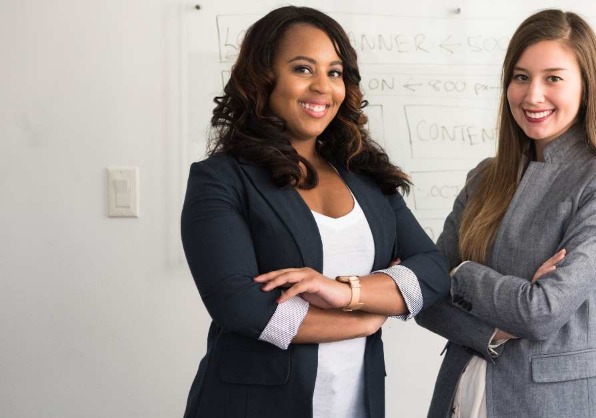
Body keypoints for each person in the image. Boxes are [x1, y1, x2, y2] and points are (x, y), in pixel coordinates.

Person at [180, 6, 450, 418]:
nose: (322, 87)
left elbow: (431, 270)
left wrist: (347, 292)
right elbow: (242, 306)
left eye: (335, 72)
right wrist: (364, 319)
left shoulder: (367, 177)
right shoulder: (221, 179)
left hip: (357, 405)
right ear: (263, 78)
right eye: (303, 69)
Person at [416, 9, 596, 418]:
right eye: (521, 77)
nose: (533, 95)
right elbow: (425, 298)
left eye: (553, 78)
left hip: (553, 403)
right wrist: (494, 331)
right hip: (460, 391)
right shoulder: (484, 176)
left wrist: (460, 273)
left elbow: (541, 312)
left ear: (586, 88)